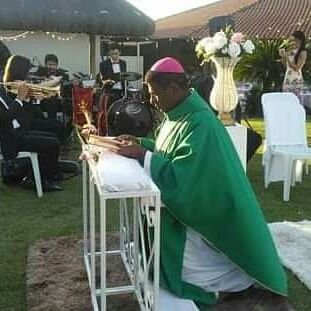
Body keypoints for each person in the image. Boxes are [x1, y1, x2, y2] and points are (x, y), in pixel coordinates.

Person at [114, 57, 292, 310]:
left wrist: (143, 156)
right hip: (191, 209)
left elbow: (187, 180)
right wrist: (141, 144)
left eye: (155, 93)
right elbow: (168, 152)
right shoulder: (176, 115)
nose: (152, 100)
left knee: (193, 271)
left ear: (174, 89)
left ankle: (225, 288)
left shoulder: (201, 122)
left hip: (205, 217)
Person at [0, 55, 62, 191]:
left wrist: (29, 99)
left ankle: (40, 176)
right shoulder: (7, 90)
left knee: (54, 138)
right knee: (53, 143)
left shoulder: (2, 92)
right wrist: (21, 98)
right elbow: (5, 118)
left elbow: (21, 114)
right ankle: (39, 179)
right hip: (10, 140)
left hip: (19, 131)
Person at [35, 54, 69, 121]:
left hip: (58, 100)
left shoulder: (62, 75)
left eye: (54, 65)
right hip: (42, 99)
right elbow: (36, 84)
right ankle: (50, 122)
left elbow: (66, 87)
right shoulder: (40, 73)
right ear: (45, 65)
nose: (52, 67)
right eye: (50, 64)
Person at [280, 30, 307, 96]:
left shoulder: (303, 52)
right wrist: (283, 56)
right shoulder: (291, 50)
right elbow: (285, 66)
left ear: (300, 40)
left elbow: (297, 68)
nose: (293, 42)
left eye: (295, 40)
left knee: (295, 100)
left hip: (296, 80)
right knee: (286, 100)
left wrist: (287, 58)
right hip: (288, 78)